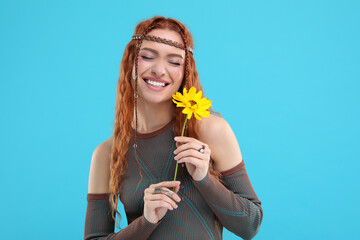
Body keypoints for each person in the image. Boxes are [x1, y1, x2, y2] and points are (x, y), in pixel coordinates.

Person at [84, 16, 263, 240]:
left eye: (175, 62)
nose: (159, 70)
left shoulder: (210, 131)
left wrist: (204, 179)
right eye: (148, 56)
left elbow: (250, 225)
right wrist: (146, 221)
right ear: (131, 61)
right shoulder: (106, 154)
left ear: (185, 72)